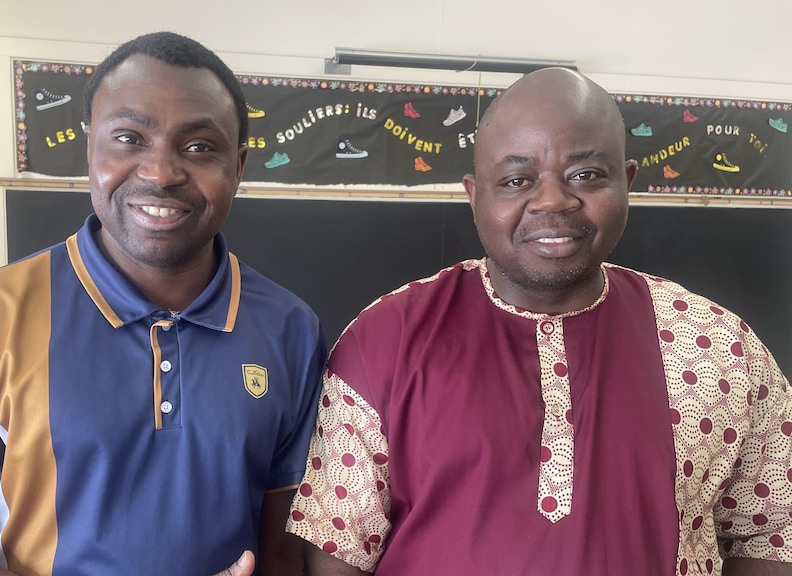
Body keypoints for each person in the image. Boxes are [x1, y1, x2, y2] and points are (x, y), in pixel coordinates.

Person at [286, 67, 792, 575]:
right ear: (474, 195)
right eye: (516, 180)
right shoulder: (385, 341)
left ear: (627, 182)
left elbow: (770, 534)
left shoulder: (720, 346)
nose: (553, 200)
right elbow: (337, 550)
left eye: (586, 175)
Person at [0, 31, 326, 576]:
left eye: (199, 147)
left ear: (239, 166)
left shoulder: (292, 330)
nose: (160, 172)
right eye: (129, 138)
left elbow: (285, 550)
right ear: (91, 149)